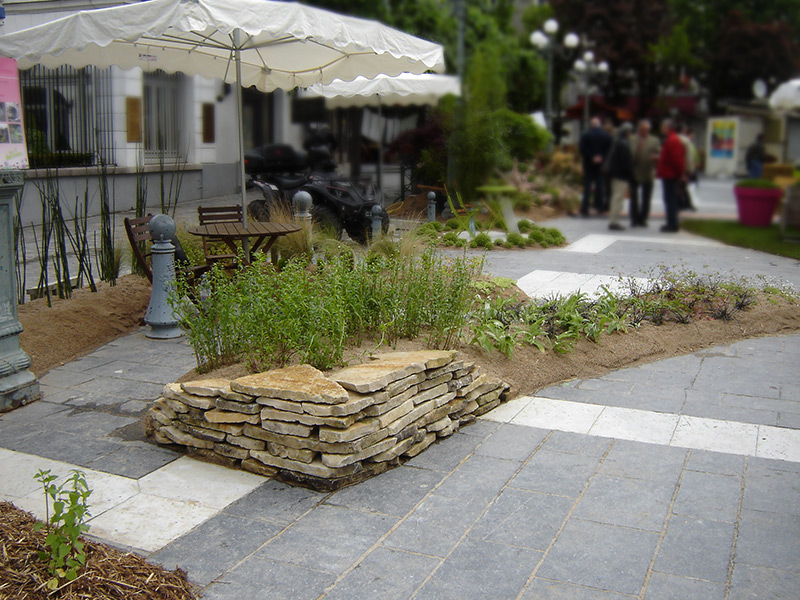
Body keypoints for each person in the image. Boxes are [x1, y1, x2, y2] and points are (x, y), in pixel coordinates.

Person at [656, 118, 686, 233]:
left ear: (667, 127)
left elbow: (676, 159)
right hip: (669, 174)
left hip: (670, 174)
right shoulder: (672, 139)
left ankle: (672, 224)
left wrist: (680, 173)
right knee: (669, 199)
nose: (661, 129)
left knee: (670, 199)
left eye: (663, 127)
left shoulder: (672, 140)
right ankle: (671, 222)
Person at [579, 117, 612, 217]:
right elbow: (610, 149)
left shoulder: (585, 135)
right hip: (601, 164)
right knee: (600, 185)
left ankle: (585, 208)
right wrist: (601, 156)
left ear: (591, 125)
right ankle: (600, 207)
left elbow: (582, 149)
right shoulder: (606, 136)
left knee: (587, 186)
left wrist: (592, 156)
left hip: (588, 164)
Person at [630, 119, 661, 227]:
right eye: (643, 130)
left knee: (646, 197)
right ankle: (634, 219)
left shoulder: (654, 140)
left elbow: (659, 154)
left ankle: (643, 218)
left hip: (648, 171)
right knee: (634, 197)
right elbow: (629, 153)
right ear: (639, 129)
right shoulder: (632, 139)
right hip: (635, 171)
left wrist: (655, 157)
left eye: (647, 130)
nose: (645, 132)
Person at [607, 122, 634, 231]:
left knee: (615, 197)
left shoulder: (616, 142)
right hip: (621, 175)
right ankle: (614, 221)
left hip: (615, 174)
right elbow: (626, 162)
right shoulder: (624, 143)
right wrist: (630, 174)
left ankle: (613, 220)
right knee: (618, 198)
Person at [677, 123, 697, 211]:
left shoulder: (674, 139)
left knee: (681, 187)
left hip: (679, 168)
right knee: (683, 186)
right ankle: (686, 204)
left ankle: (684, 204)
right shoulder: (685, 141)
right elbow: (689, 156)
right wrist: (690, 169)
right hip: (683, 167)